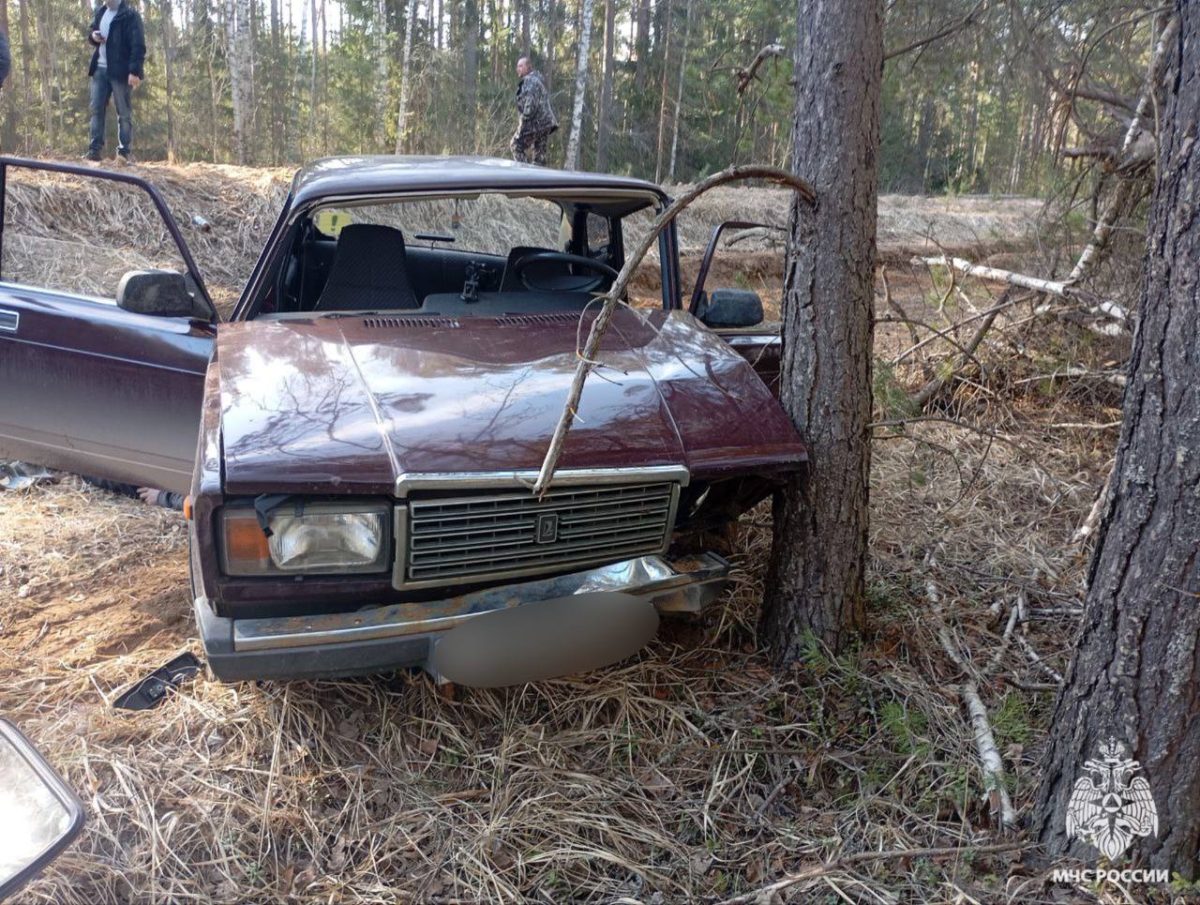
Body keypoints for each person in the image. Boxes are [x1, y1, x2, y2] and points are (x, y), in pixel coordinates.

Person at [84, 0, 145, 163]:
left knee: (123, 113)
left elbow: (138, 45)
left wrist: (134, 71)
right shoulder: (100, 12)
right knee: (96, 109)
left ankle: (124, 153)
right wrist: (93, 36)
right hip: (99, 69)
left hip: (121, 72)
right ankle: (94, 151)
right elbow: (92, 32)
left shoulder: (130, 16)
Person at [511, 56, 557, 166]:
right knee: (539, 156)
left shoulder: (530, 81)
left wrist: (522, 123)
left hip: (535, 124)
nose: (518, 69)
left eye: (521, 66)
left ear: (528, 67)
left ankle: (525, 175)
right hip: (545, 124)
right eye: (518, 66)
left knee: (515, 144)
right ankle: (539, 179)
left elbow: (530, 106)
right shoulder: (537, 80)